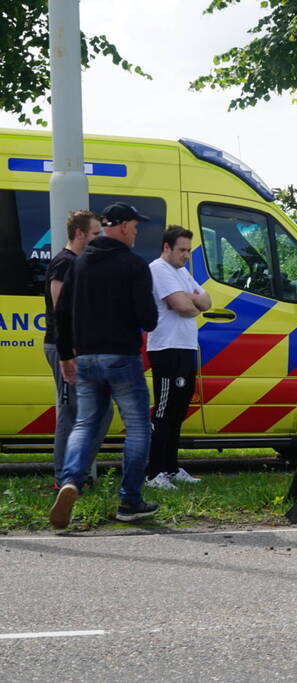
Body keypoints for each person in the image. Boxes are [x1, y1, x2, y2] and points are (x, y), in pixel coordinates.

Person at [49, 202, 160, 528]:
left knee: (85, 424)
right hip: (121, 358)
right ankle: (130, 501)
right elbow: (148, 320)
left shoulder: (80, 263)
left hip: (85, 359)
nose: (137, 232)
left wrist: (67, 356)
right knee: (138, 428)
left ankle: (70, 480)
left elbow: (61, 313)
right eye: (136, 226)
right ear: (123, 226)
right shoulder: (133, 264)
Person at [42, 211, 113, 485]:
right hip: (66, 350)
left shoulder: (81, 263)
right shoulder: (63, 263)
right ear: (80, 233)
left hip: (85, 349)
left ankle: (77, 470)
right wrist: (67, 355)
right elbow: (62, 314)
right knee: (70, 412)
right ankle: (65, 477)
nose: (99, 238)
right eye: (95, 233)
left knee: (103, 410)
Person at [145, 226, 211, 489]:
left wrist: (191, 302)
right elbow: (185, 306)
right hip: (166, 348)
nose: (186, 255)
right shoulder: (159, 269)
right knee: (163, 412)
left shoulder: (181, 272)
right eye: (181, 250)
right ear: (166, 248)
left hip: (185, 347)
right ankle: (153, 473)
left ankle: (171, 468)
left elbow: (206, 302)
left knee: (178, 411)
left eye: (188, 250)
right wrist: (190, 302)